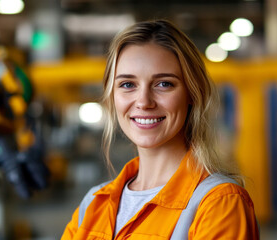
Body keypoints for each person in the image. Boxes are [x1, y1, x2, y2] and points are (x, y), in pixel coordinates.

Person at [62, 19, 259, 240]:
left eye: (163, 84)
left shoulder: (219, 204)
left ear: (193, 93)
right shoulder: (93, 204)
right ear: (112, 97)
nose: (144, 102)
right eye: (128, 84)